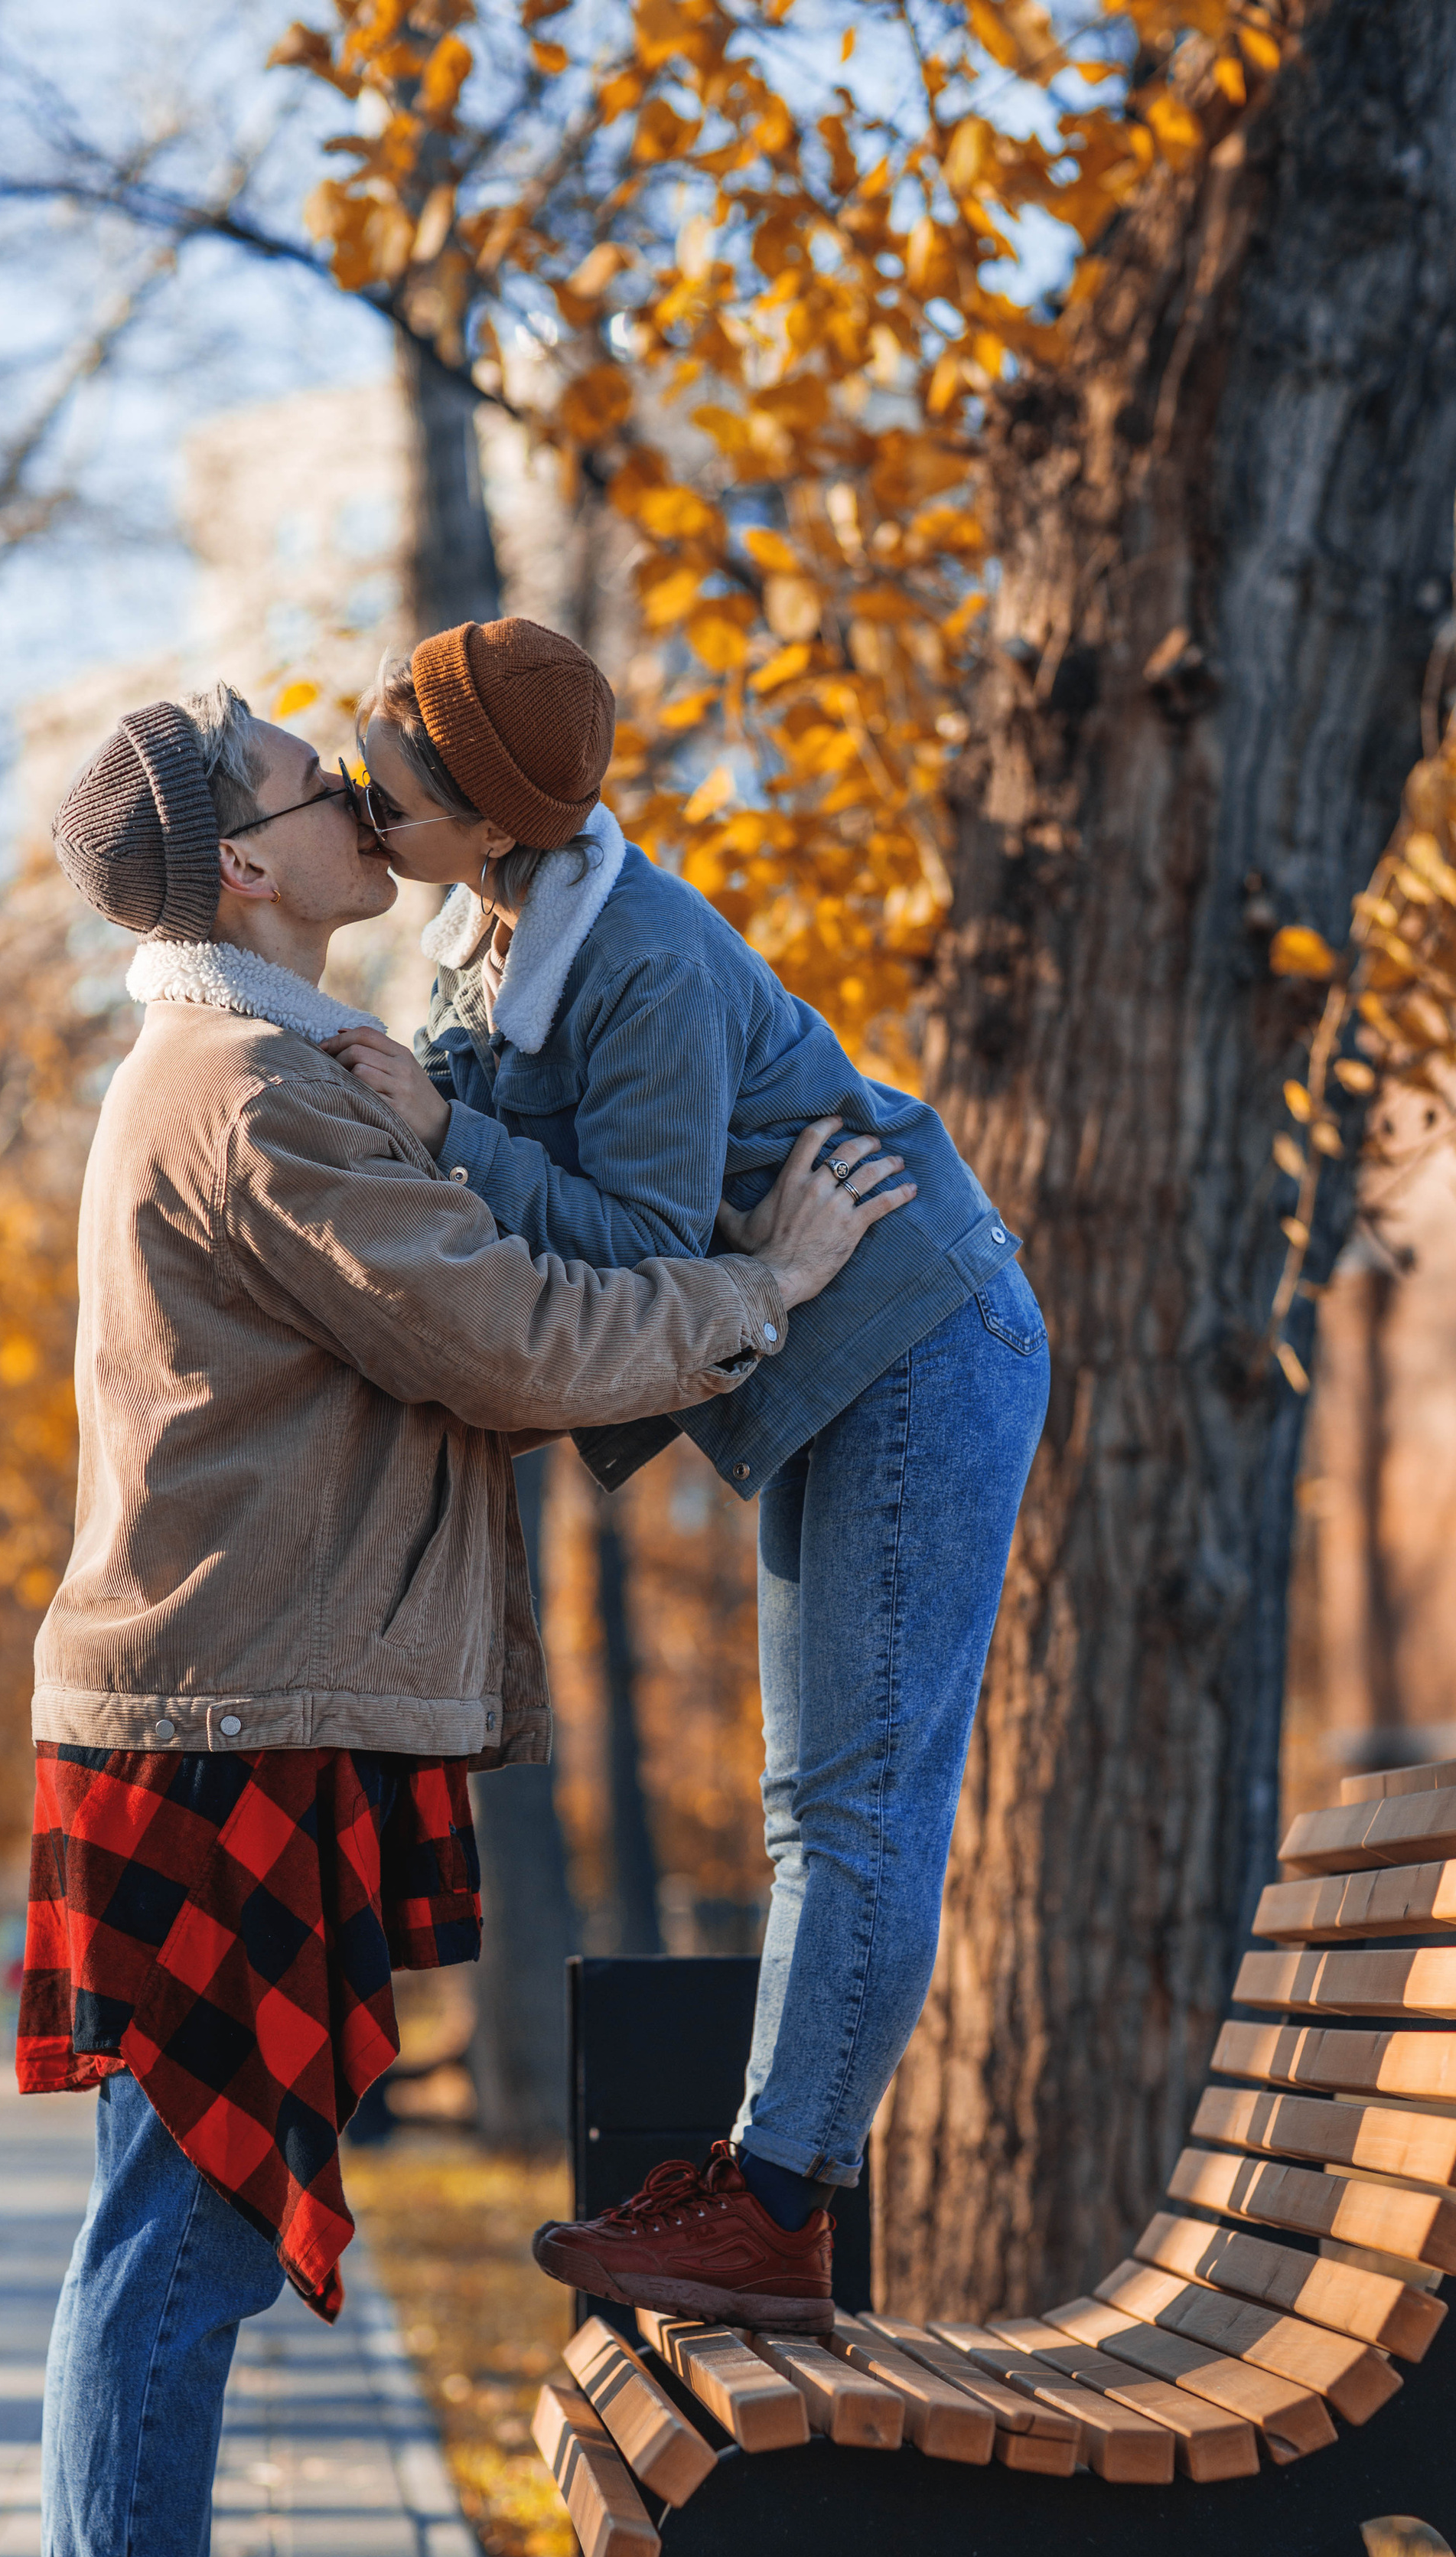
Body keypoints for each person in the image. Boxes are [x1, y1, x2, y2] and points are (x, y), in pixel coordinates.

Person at [21, 683, 911, 2557]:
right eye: (307, 781)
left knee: (167, 2233)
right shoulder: (252, 1095)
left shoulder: (255, 1069)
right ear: (244, 865)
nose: (356, 798)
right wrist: (767, 1284)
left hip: (234, 1704)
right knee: (180, 2242)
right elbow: (508, 1338)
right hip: (231, 1723)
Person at [326, 616, 1048, 2334]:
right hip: (827, 1363)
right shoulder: (487, 935)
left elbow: (641, 1249)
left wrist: (447, 1134)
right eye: (352, 767)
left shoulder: (636, 959)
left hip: (915, 1340)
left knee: (853, 1805)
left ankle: (775, 2207)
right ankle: (760, 2183)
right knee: (816, 1805)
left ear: (491, 823)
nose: (356, 804)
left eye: (385, 791)